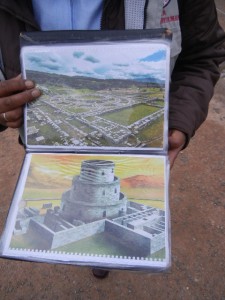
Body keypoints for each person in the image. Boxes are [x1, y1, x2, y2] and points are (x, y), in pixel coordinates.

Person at [0, 0, 224, 278]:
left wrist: (180, 119)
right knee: (94, 214)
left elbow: (203, 54)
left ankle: (102, 251)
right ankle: (99, 241)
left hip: (127, 150)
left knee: (101, 217)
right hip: (43, 144)